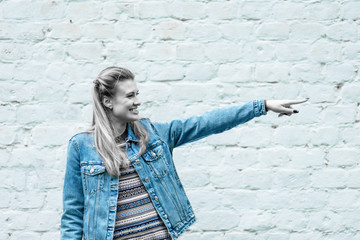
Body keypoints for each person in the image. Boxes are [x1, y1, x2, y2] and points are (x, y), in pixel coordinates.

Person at [60, 66, 308, 240]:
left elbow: (205, 123)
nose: (137, 101)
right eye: (130, 95)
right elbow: (73, 213)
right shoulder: (82, 147)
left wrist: (261, 106)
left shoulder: (153, 134)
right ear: (107, 101)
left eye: (138, 94)